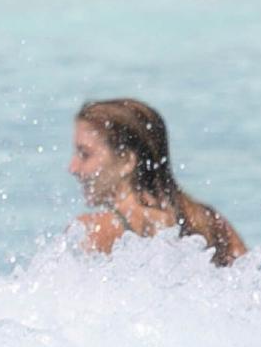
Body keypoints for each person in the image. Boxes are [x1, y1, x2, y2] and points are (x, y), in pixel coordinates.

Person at [68, 98, 247, 266]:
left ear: (127, 161)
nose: (73, 168)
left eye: (85, 154)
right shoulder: (208, 220)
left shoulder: (95, 229)